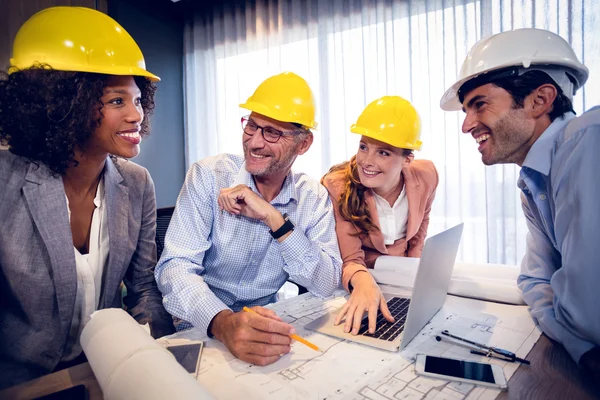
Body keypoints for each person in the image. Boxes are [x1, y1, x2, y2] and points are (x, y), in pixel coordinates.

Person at [0, 7, 174, 389]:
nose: (136, 115)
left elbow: (144, 288)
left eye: (137, 99)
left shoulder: (137, 183)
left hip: (103, 371)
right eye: (116, 102)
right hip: (18, 384)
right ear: (64, 105)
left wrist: (162, 361)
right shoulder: (5, 182)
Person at [440, 28, 600, 379]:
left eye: (479, 104)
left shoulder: (588, 141)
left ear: (539, 101)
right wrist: (570, 328)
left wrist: (573, 326)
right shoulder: (533, 180)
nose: (466, 126)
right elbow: (534, 277)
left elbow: (588, 317)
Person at [155, 72, 342, 367]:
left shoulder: (312, 196)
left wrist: (275, 219)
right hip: (200, 320)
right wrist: (222, 322)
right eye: (252, 125)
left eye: (272, 133)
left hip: (265, 317)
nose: (254, 142)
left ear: (303, 143)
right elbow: (174, 268)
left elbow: (326, 283)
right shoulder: (208, 176)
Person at [321, 96, 438, 336]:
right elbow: (350, 258)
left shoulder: (427, 175)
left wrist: (413, 273)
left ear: (407, 159)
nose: (367, 161)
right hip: (363, 276)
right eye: (364, 146)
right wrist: (364, 281)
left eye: (383, 153)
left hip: (403, 279)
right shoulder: (338, 185)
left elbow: (420, 228)